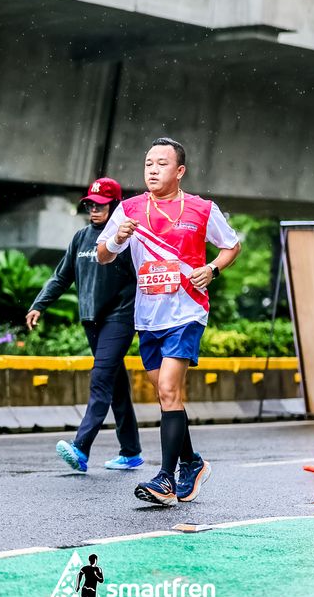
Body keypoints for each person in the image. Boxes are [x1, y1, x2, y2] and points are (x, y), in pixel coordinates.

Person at [97, 139, 241, 506]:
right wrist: (117, 238)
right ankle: (192, 462)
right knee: (166, 395)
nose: (152, 169)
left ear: (179, 171)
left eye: (162, 163)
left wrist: (213, 269)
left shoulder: (201, 209)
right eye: (148, 163)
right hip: (148, 316)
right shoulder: (129, 210)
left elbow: (232, 245)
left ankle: (166, 479)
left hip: (187, 312)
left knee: (168, 388)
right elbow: (102, 255)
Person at [26, 177, 143, 473]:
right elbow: (62, 276)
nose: (94, 209)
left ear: (115, 206)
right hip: (92, 319)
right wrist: (39, 304)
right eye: (90, 204)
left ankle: (81, 447)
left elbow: (144, 276)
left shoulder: (126, 237)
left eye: (101, 205)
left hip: (120, 317)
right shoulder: (80, 238)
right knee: (116, 384)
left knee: (100, 379)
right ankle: (131, 451)